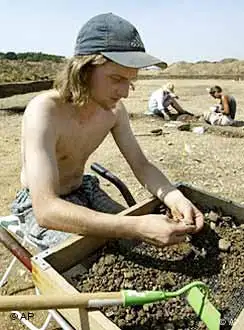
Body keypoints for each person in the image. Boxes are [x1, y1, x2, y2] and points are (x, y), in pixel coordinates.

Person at [11, 13, 204, 251]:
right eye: (116, 78)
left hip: (85, 189)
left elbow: (141, 166)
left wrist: (175, 198)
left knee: (135, 244)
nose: (125, 92)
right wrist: (135, 227)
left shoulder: (114, 111)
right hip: (40, 204)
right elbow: (46, 209)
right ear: (83, 69)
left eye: (130, 81)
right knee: (103, 252)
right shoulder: (45, 112)